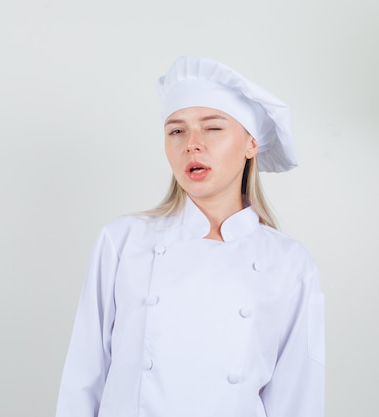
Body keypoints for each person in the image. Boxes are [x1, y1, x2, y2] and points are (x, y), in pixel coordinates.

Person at [56, 56, 325, 417]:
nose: (191, 144)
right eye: (176, 130)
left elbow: (297, 396)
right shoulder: (122, 241)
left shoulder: (289, 262)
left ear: (250, 145)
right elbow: (83, 378)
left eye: (212, 128)